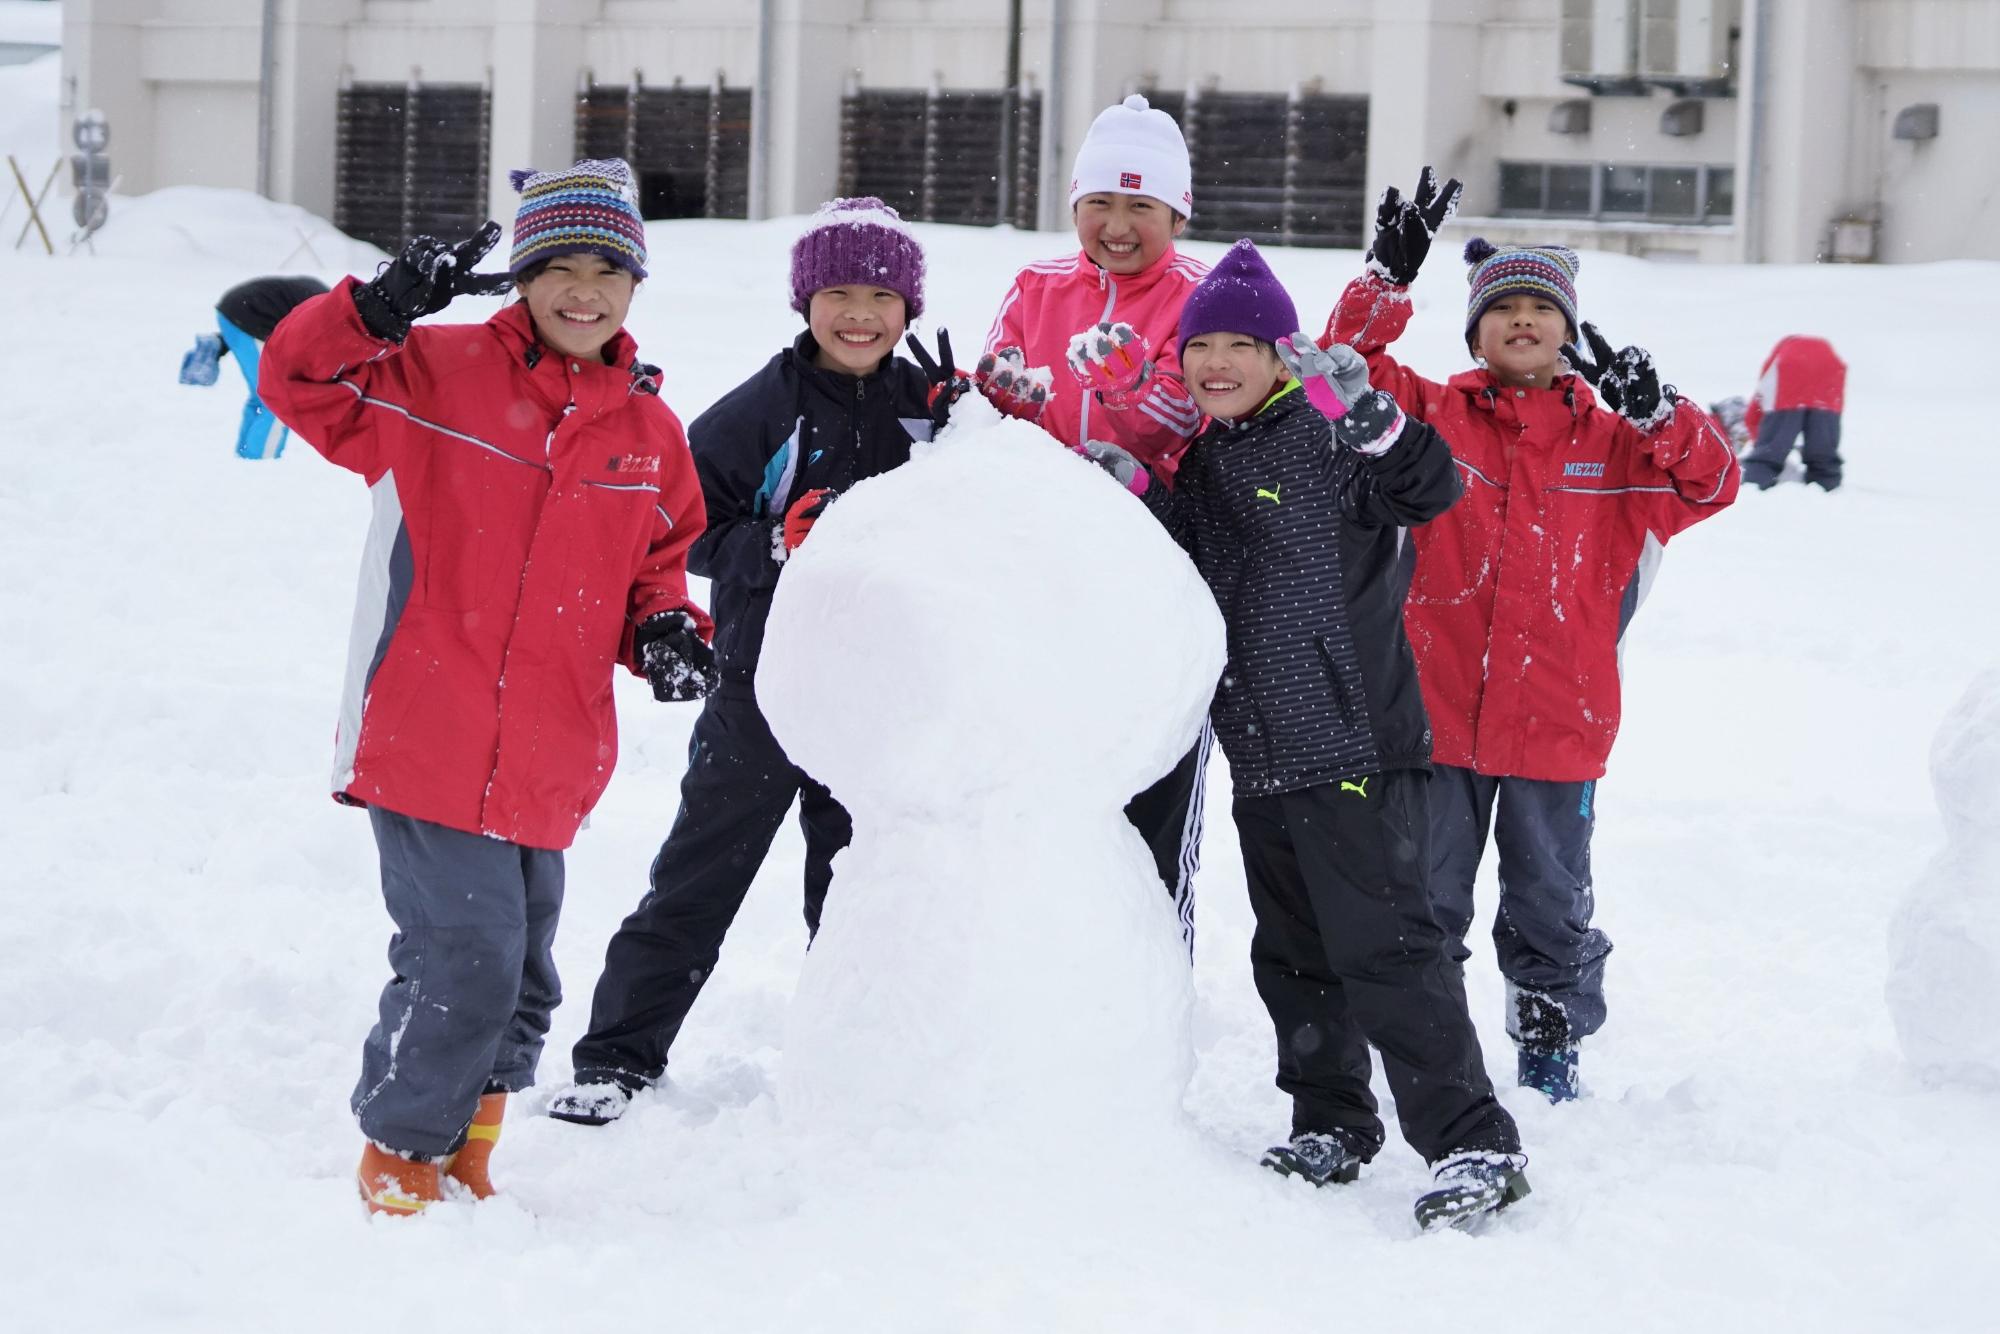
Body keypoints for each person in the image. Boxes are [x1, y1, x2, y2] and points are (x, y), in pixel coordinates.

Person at [258, 158, 716, 1214]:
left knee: (520, 973)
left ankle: (470, 1143)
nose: (582, 288)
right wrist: (372, 311)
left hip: (551, 746)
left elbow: (657, 559)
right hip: (426, 720)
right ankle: (401, 1154)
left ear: (636, 284)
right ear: (520, 274)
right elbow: (299, 380)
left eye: (608, 266)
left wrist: (661, 628)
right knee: (464, 951)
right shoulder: (433, 373)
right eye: (557, 263)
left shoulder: (647, 433)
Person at [1081, 238, 1529, 1231]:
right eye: (1204, 345)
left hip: (1356, 743)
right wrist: (1134, 488)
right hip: (1263, 754)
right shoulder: (1203, 461)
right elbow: (1181, 562)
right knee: (1290, 953)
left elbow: (1428, 487)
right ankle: (1330, 1118)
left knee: (1391, 948)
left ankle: (1470, 1140)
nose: (1219, 363)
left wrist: (1373, 424)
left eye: (1243, 344)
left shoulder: (1325, 436)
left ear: (1282, 358)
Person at [1321, 168, 1740, 1102]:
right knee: (1425, 899)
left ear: (1568, 328)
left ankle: (1550, 1044)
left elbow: (1714, 484)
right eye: (1500, 305)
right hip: (1435, 716)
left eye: (1539, 306)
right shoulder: (1429, 418)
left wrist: (1663, 413)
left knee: (1551, 902)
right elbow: (1331, 374)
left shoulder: (1621, 443)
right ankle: (1427, 1049)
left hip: (1561, 720)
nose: (1521, 320)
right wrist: (1382, 284)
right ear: (1473, 329)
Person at [547, 198, 966, 1128]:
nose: (859, 314)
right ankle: (617, 1057)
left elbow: (981, 517)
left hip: (881, 693)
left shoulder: (928, 406)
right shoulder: (759, 411)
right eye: (838, 293)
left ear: (909, 308)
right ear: (805, 302)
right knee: (700, 875)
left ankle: (853, 1061)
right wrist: (773, 543)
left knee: (857, 886)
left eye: (881, 295)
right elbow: (684, 530)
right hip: (764, 688)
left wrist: (979, 426)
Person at [978, 92, 1212, 951]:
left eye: (1141, 205)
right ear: (1075, 204)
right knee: (1040, 776)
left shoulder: (1200, 295)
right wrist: (999, 400)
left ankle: (1151, 973)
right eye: (1101, 203)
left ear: (1176, 211)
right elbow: (991, 395)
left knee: (1149, 776)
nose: (1118, 225)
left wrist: (1128, 396)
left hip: (1156, 571)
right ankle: (1040, 965)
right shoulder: (1037, 287)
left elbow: (1202, 418)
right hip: (1041, 571)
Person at [178, 275, 330, 458]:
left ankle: (245, 456)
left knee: (262, 396)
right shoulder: (328, 313)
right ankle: (261, 461)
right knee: (279, 399)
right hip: (248, 317)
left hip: (236, 312)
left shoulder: (325, 300)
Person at [1741, 334, 1846, 490]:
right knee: (1822, 452)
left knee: (1769, 452)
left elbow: (1761, 394)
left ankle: (1755, 485)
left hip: (1789, 381)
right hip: (1829, 376)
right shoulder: (1818, 349)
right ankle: (1827, 487)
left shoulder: (1784, 350)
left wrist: (1763, 441)